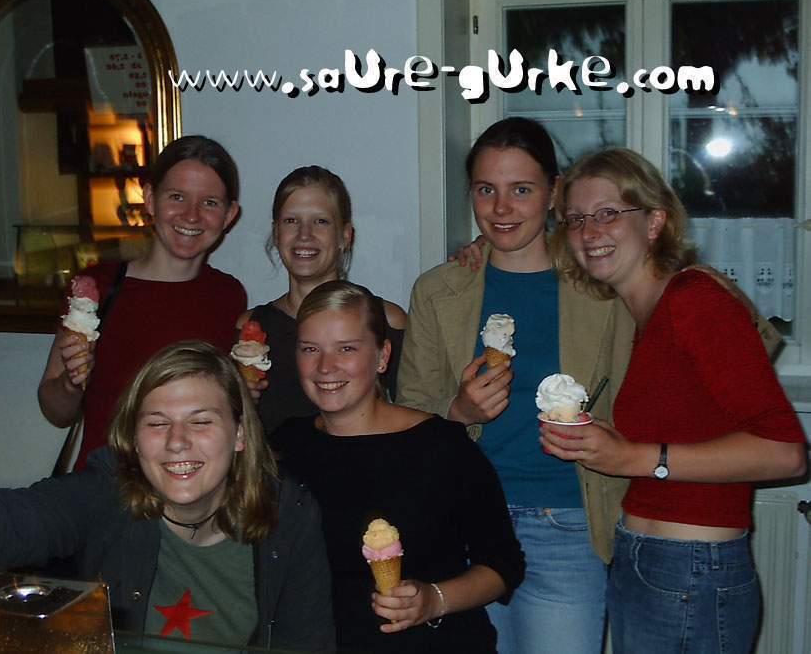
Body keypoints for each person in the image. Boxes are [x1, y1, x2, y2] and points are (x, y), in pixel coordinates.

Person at [546, 147, 807, 653]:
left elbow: (786, 452)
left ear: (654, 222)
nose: (589, 231)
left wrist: (634, 457)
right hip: (647, 558)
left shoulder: (695, 301)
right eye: (576, 219)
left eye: (607, 213)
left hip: (692, 569)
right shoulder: (646, 315)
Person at [0, 341, 335, 650]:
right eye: (157, 423)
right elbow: (6, 522)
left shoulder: (288, 515)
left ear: (240, 434)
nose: (177, 441)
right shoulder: (108, 493)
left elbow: (307, 644)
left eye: (201, 421)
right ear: (133, 439)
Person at [396, 117, 634, 654]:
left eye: (521, 190)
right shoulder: (438, 290)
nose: (501, 208)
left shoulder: (601, 285)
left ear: (554, 193)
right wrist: (456, 411)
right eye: (486, 190)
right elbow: (408, 414)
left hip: (568, 523)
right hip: (464, 522)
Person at [271, 280, 524, 654]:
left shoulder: (441, 445)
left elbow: (503, 564)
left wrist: (434, 599)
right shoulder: (285, 444)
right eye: (310, 349)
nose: (325, 366)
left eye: (346, 348)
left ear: (382, 356)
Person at [39, 136, 247, 471]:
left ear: (229, 215)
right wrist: (71, 383)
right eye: (176, 197)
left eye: (209, 202)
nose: (191, 215)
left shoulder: (229, 295)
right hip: (106, 485)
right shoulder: (98, 286)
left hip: (190, 482)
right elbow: (55, 412)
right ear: (150, 199)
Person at [238, 165, 406, 433]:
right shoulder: (251, 327)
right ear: (276, 234)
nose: (304, 234)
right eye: (291, 221)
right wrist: (239, 401)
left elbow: (415, 411)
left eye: (321, 221)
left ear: (345, 236)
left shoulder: (386, 319)